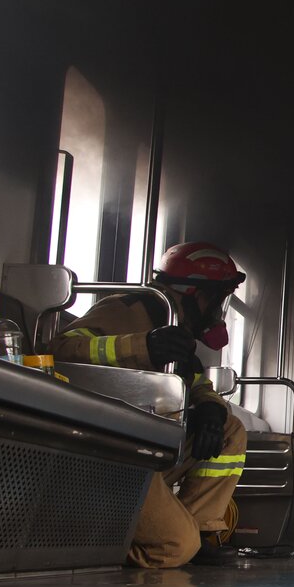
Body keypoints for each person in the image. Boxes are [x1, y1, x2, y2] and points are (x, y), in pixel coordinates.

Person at [51, 242, 248, 568]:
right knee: (175, 547)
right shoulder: (127, 309)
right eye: (217, 299)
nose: (218, 310)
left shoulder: (176, 329)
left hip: (150, 449)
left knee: (229, 429)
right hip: (112, 452)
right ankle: (99, 551)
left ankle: (200, 532)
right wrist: (143, 347)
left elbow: (197, 382)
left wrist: (211, 407)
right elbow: (61, 348)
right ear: (195, 293)